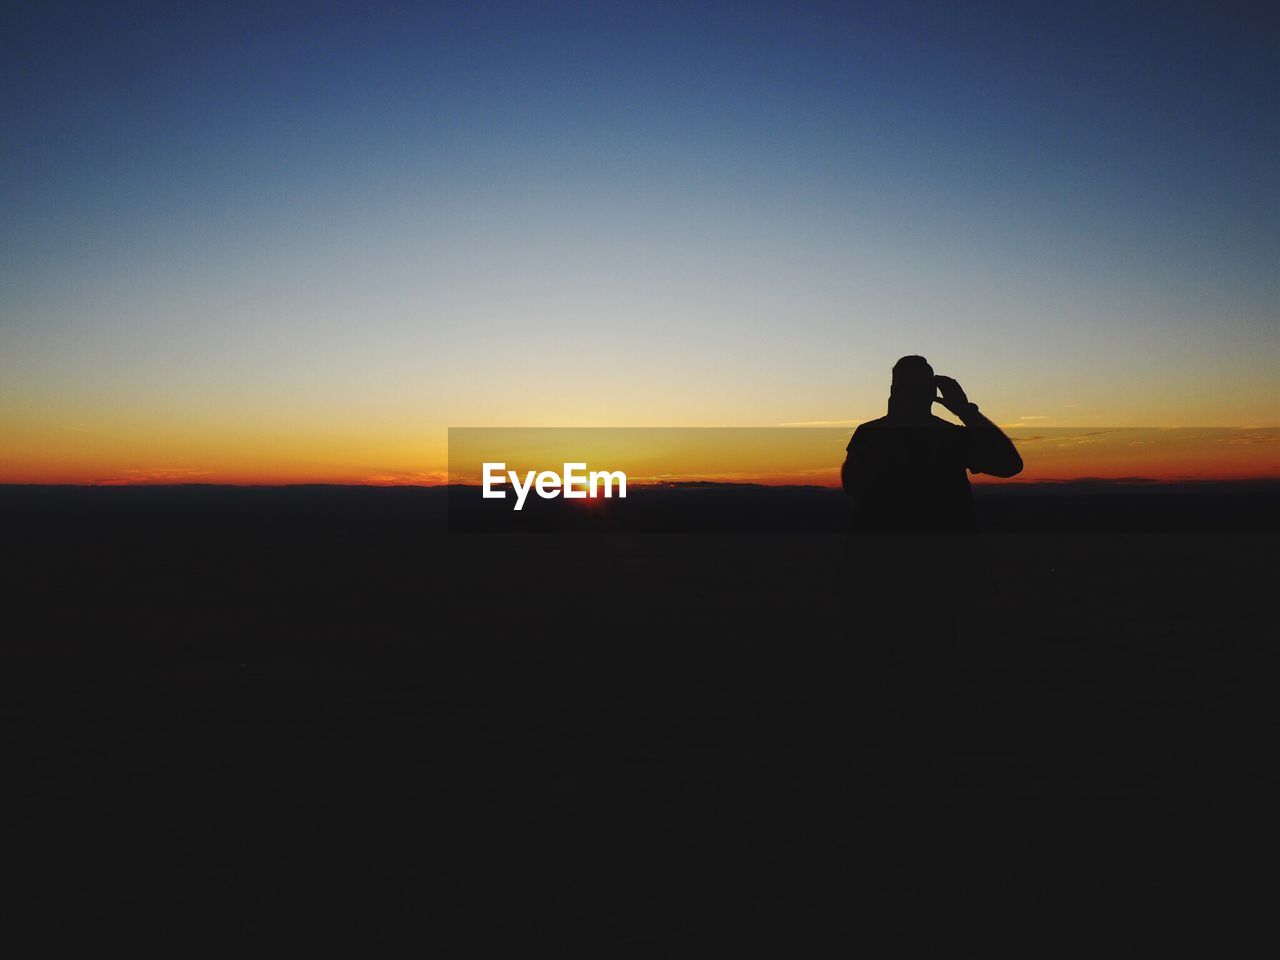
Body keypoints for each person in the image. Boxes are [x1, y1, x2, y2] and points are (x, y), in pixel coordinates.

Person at [837, 355, 1022, 791]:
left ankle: (855, 775)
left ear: (892, 390)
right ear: (932, 395)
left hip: (875, 579)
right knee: (922, 682)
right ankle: (909, 776)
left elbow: (851, 485)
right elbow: (1009, 463)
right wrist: (965, 410)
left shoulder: (870, 436)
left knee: (866, 679)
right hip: (933, 581)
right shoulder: (948, 439)